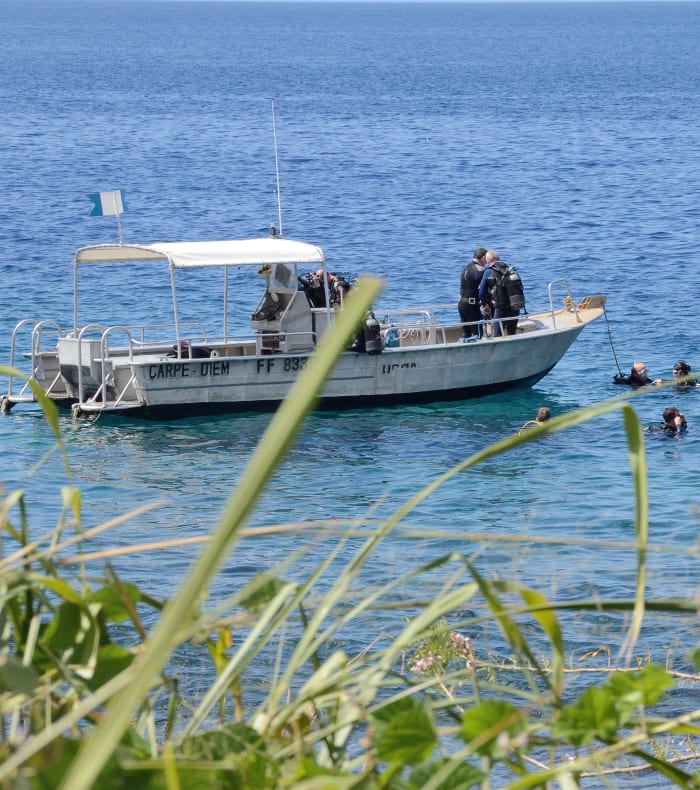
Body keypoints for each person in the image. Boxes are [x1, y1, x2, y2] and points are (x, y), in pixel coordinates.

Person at [478, 250, 519, 337]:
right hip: (515, 306)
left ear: (487, 261)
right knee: (512, 334)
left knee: (498, 335)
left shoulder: (489, 272)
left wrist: (484, 304)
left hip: (501, 308)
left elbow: (481, 292)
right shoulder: (508, 268)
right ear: (498, 258)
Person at [458, 247, 487, 338]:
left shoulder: (465, 268)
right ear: (483, 258)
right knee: (477, 334)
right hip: (472, 306)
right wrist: (486, 304)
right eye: (486, 259)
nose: (486, 262)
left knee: (466, 333)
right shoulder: (480, 270)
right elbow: (484, 289)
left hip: (461, 304)